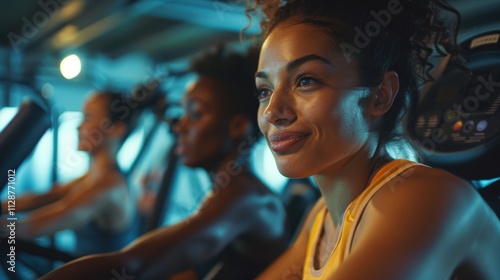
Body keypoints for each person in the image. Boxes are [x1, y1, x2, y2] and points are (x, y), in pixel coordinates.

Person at [248, 0, 500, 279]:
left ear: (379, 96)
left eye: (305, 80)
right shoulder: (321, 218)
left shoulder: (424, 197)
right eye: (264, 90)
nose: (272, 111)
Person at [40, 45, 288, 280]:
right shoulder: (226, 194)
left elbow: (132, 263)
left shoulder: (246, 197)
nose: (179, 126)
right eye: (182, 113)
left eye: (195, 114)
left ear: (236, 127)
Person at [1, 91, 139, 256]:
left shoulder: (109, 188)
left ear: (116, 129)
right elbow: (40, 198)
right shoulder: (92, 177)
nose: (78, 126)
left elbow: (28, 228)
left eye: (88, 117)